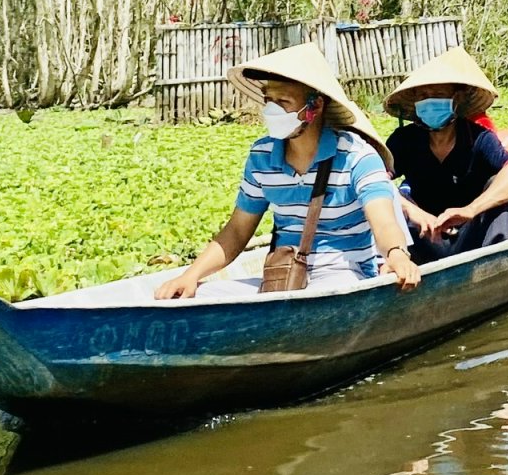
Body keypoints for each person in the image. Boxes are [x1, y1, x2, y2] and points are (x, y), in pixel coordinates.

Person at [155, 42, 420, 299]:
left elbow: (384, 221)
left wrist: (396, 254)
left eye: (283, 101)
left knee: (322, 297)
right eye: (269, 100)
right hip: (284, 275)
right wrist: (190, 275)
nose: (271, 109)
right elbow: (236, 231)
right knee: (195, 296)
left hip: (345, 275)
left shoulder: (357, 156)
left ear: (314, 107)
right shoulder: (261, 156)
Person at [383, 47, 508, 264]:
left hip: (472, 236)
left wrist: (470, 210)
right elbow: (374, 180)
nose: (430, 101)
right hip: (422, 237)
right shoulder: (404, 140)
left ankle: (496, 263)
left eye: (438, 95)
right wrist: (413, 212)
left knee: (497, 184)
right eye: (423, 96)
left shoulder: (478, 137)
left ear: (457, 98)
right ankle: (401, 262)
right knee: (389, 195)